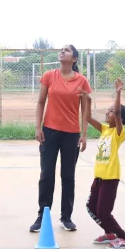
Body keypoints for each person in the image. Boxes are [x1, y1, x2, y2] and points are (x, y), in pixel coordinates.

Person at [32, 44, 92, 233]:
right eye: (62, 49)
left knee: (68, 176)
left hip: (71, 134)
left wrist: (83, 135)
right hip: (49, 131)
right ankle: (43, 214)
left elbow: (85, 111)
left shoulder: (81, 81)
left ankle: (66, 217)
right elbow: (41, 102)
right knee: (46, 174)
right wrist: (38, 127)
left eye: (67, 50)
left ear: (74, 59)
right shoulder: (49, 76)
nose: (62, 51)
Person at [85, 78, 125, 249]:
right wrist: (87, 100)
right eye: (107, 111)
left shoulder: (118, 132)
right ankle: (110, 233)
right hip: (99, 178)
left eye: (110, 112)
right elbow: (86, 117)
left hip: (110, 178)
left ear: (119, 118)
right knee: (91, 207)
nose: (107, 113)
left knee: (103, 212)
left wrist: (118, 93)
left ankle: (124, 238)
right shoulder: (104, 129)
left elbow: (117, 114)